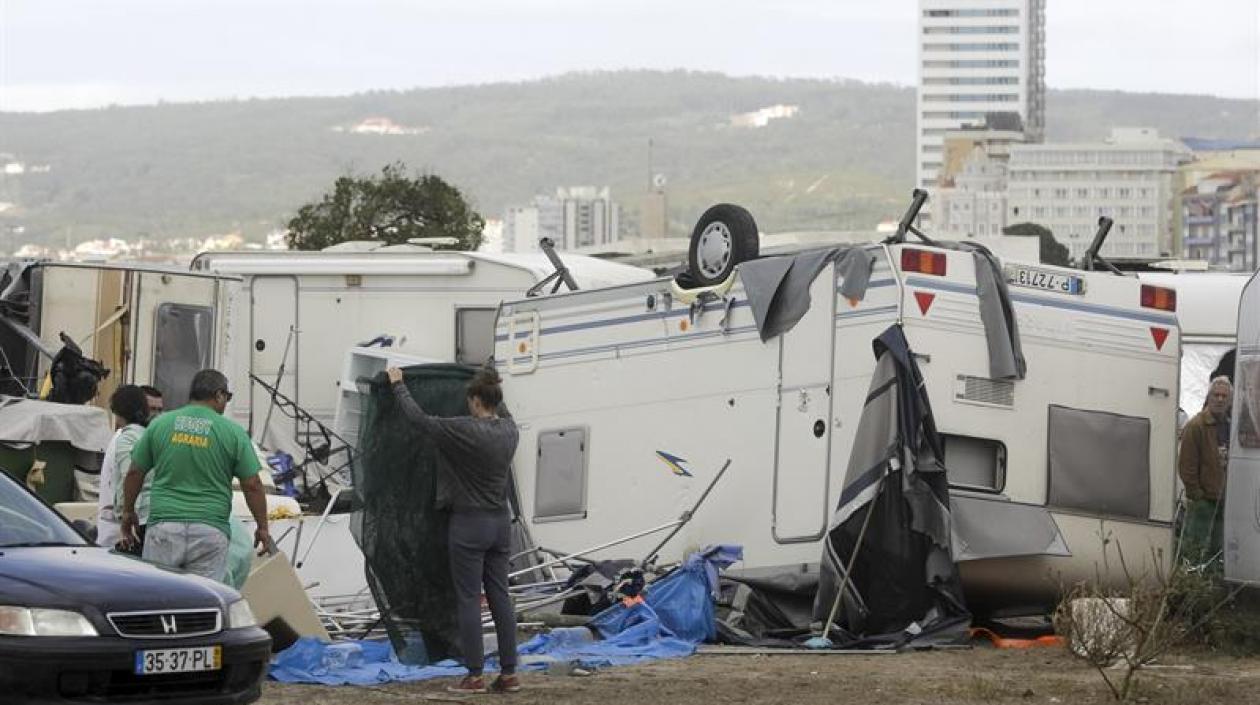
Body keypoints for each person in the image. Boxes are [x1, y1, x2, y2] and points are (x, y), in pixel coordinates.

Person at [386, 365, 521, 695]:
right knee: (501, 597)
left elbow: (419, 420)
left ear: (475, 401)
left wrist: (398, 385)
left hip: (469, 525)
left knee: (469, 600)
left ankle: (474, 676)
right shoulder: (510, 431)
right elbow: (501, 409)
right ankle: (509, 674)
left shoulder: (463, 430)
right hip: (500, 524)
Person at [120, 369, 271, 582]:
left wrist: (128, 512)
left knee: (159, 596)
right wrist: (262, 527)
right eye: (227, 397)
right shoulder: (233, 432)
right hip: (210, 529)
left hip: (165, 526)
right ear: (218, 395)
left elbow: (135, 471)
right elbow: (253, 484)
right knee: (203, 601)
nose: (226, 402)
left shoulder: (160, 424)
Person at [1178, 376, 1232, 567]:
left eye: (1224, 396)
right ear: (1209, 397)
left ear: (1230, 400)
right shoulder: (1196, 425)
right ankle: (1189, 591)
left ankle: (1211, 592)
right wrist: (1197, 496)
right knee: (1194, 550)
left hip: (1222, 500)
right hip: (1203, 501)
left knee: (1216, 552)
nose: (1220, 399)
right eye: (1216, 395)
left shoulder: (1230, 426)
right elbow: (1186, 466)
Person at [95, 385, 150, 550]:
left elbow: (131, 476)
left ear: (118, 413)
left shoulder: (124, 438)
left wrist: (129, 516)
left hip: (131, 524)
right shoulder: (149, 435)